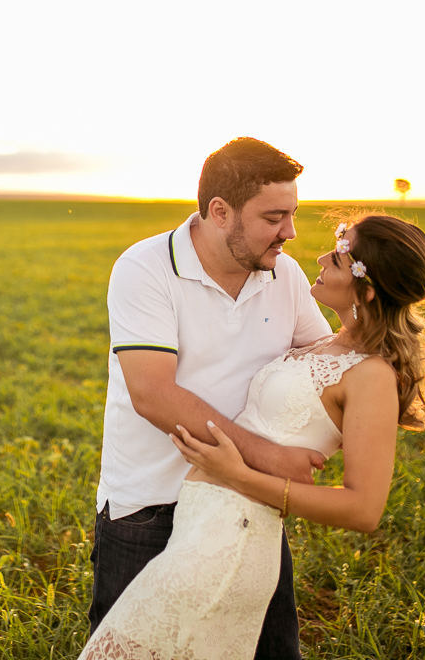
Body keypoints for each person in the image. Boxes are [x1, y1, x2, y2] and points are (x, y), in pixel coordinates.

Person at [79, 214, 425, 660]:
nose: (321, 256)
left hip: (230, 536)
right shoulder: (327, 344)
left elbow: (364, 510)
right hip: (199, 523)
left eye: (340, 257)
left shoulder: (371, 376)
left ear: (367, 290)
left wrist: (240, 473)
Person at [88, 138, 333, 658]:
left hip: (245, 501)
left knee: (269, 652)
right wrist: (272, 459)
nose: (289, 231)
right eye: (274, 217)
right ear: (219, 212)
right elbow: (154, 395)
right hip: (149, 508)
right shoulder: (145, 268)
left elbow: (324, 361)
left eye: (293, 214)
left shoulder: (283, 272)